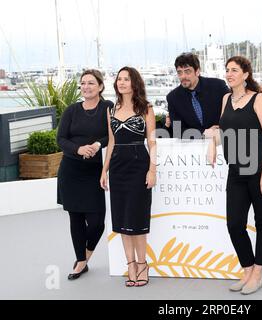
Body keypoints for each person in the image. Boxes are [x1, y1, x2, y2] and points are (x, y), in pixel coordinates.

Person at [207, 56, 262, 295]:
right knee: (235, 224)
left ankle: (258, 273)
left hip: (261, 170)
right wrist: (212, 142)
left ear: (246, 74)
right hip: (236, 170)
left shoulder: (259, 99)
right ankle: (247, 269)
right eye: (227, 70)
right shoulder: (226, 98)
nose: (229, 74)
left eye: (234, 70)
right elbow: (224, 131)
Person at [100, 66, 156, 287]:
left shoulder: (146, 108)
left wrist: (152, 170)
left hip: (138, 163)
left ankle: (143, 265)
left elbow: (152, 142)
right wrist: (104, 170)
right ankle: (130, 265)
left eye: (126, 79)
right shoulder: (111, 109)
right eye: (119, 79)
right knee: (123, 220)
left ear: (135, 83)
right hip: (118, 167)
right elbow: (112, 142)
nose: (122, 82)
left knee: (137, 218)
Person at [57, 69, 114, 280]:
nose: (86, 86)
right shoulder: (71, 110)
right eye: (83, 83)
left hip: (95, 171)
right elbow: (61, 139)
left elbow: (113, 134)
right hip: (71, 170)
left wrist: (98, 144)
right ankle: (81, 261)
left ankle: (86, 254)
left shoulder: (108, 107)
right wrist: (78, 149)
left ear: (100, 86)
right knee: (76, 218)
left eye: (91, 83)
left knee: (97, 220)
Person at [166, 52, 230, 138]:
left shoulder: (218, 86)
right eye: (179, 72)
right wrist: (204, 133)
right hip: (193, 147)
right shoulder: (173, 98)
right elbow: (178, 130)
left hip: (223, 141)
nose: (183, 76)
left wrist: (220, 130)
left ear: (197, 71)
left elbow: (233, 113)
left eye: (187, 71)